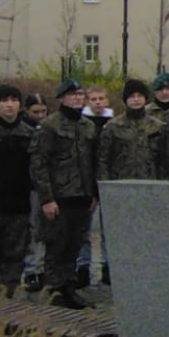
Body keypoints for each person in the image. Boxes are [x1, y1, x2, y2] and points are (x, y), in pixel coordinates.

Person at [28, 78, 98, 309]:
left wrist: (93, 194)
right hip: (59, 197)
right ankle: (54, 290)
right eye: (72, 94)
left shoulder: (88, 126)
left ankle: (68, 287)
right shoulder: (50, 125)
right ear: (61, 98)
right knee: (56, 245)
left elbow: (93, 161)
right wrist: (47, 199)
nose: (77, 98)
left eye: (80, 94)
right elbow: (38, 163)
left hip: (82, 196)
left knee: (74, 244)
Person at [96, 78, 165, 285]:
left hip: (149, 186)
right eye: (132, 96)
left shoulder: (158, 127)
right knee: (120, 232)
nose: (136, 100)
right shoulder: (113, 127)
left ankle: (147, 269)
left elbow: (165, 160)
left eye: (139, 96)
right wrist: (105, 188)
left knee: (147, 231)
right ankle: (114, 269)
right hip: (121, 187)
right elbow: (102, 159)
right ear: (125, 100)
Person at [0, 85, 36, 298]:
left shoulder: (29, 133)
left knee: (14, 257)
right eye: (4, 100)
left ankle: (8, 304)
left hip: (19, 207)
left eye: (14, 100)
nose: (9, 104)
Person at [76, 84, 112, 288]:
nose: (97, 102)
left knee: (108, 230)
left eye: (101, 98)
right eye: (93, 99)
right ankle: (83, 267)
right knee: (85, 229)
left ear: (107, 100)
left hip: (107, 181)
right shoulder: (81, 124)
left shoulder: (113, 123)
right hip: (86, 183)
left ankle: (107, 267)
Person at [22, 93, 49, 293]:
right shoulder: (24, 130)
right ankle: (32, 269)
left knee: (43, 230)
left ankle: (41, 268)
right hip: (26, 186)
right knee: (32, 230)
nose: (40, 115)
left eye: (43, 111)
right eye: (35, 112)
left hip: (45, 186)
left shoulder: (49, 129)